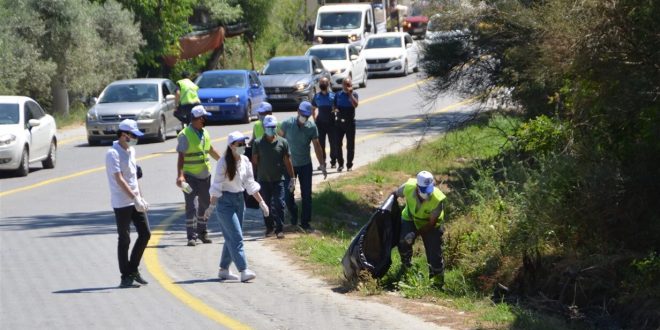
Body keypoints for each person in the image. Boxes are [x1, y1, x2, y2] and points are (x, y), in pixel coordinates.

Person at [207, 131, 269, 282]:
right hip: (225, 202)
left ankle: (223, 269)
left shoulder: (245, 160)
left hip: (240, 201)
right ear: (231, 146)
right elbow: (217, 186)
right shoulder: (223, 162)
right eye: (239, 144)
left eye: (244, 143)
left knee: (231, 236)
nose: (243, 146)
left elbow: (250, 183)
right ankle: (243, 269)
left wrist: (261, 202)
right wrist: (211, 206)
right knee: (236, 236)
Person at [105, 119, 151, 288]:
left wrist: (141, 197)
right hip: (122, 202)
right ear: (124, 135)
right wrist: (134, 198)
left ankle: (133, 269)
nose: (134, 138)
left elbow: (134, 178)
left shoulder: (132, 151)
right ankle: (126, 275)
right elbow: (119, 179)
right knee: (124, 238)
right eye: (132, 135)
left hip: (135, 200)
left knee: (145, 234)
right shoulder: (113, 153)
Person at [278, 101, 327, 232]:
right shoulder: (287, 124)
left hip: (305, 165)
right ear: (298, 112)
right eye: (303, 115)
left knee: (306, 195)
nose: (304, 118)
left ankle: (305, 222)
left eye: (307, 116)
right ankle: (294, 217)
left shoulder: (311, 127)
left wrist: (322, 164)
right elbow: (279, 142)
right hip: (289, 167)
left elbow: (317, 146)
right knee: (288, 195)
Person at [176, 105, 221, 246]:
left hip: (204, 176)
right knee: (190, 206)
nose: (205, 120)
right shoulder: (185, 135)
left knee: (205, 204)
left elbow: (211, 150)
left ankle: (202, 232)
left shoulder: (205, 133)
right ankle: (191, 236)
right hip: (189, 176)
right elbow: (181, 157)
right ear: (198, 118)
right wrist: (180, 176)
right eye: (204, 117)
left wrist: (225, 162)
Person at [393, 171, 447, 288]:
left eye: (429, 189)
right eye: (424, 190)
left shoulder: (437, 200)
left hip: (431, 224)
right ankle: (406, 266)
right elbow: (394, 195)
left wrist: (414, 234)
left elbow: (431, 224)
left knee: (434, 253)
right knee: (403, 240)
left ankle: (436, 283)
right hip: (410, 217)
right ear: (417, 187)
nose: (427, 193)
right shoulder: (408, 187)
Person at [252, 115, 295, 239]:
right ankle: (269, 227)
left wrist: (292, 178)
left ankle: (279, 229)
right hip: (263, 180)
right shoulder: (258, 143)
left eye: (272, 127)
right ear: (265, 128)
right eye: (268, 127)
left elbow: (288, 161)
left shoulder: (283, 142)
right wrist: (253, 179)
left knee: (279, 203)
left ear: (276, 128)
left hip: (278, 179)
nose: (270, 129)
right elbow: (254, 161)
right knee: (265, 205)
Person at [332, 77, 359, 172]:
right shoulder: (338, 94)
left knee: (350, 145)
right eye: (346, 84)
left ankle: (349, 165)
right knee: (337, 144)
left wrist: (350, 95)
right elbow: (334, 106)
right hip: (339, 122)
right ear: (342, 85)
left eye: (349, 84)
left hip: (350, 122)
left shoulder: (354, 94)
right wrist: (335, 110)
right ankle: (340, 164)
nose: (347, 86)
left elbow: (355, 105)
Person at [312, 77, 336, 169]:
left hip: (331, 123)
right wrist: (314, 119)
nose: (322, 84)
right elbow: (313, 108)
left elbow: (337, 108)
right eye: (321, 82)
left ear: (328, 83)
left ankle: (333, 161)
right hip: (320, 124)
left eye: (324, 82)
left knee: (333, 143)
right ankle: (322, 163)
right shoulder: (316, 96)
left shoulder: (333, 96)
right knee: (321, 144)